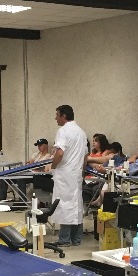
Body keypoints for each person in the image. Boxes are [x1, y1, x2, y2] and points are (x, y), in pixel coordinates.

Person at [50, 105, 88, 247]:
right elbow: (85, 156)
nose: (55, 118)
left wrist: (53, 166)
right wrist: (81, 171)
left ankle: (64, 239)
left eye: (57, 115)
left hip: (65, 173)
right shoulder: (82, 132)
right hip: (76, 173)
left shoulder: (63, 131)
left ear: (64, 116)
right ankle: (76, 239)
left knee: (64, 205)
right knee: (76, 205)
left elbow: (59, 153)